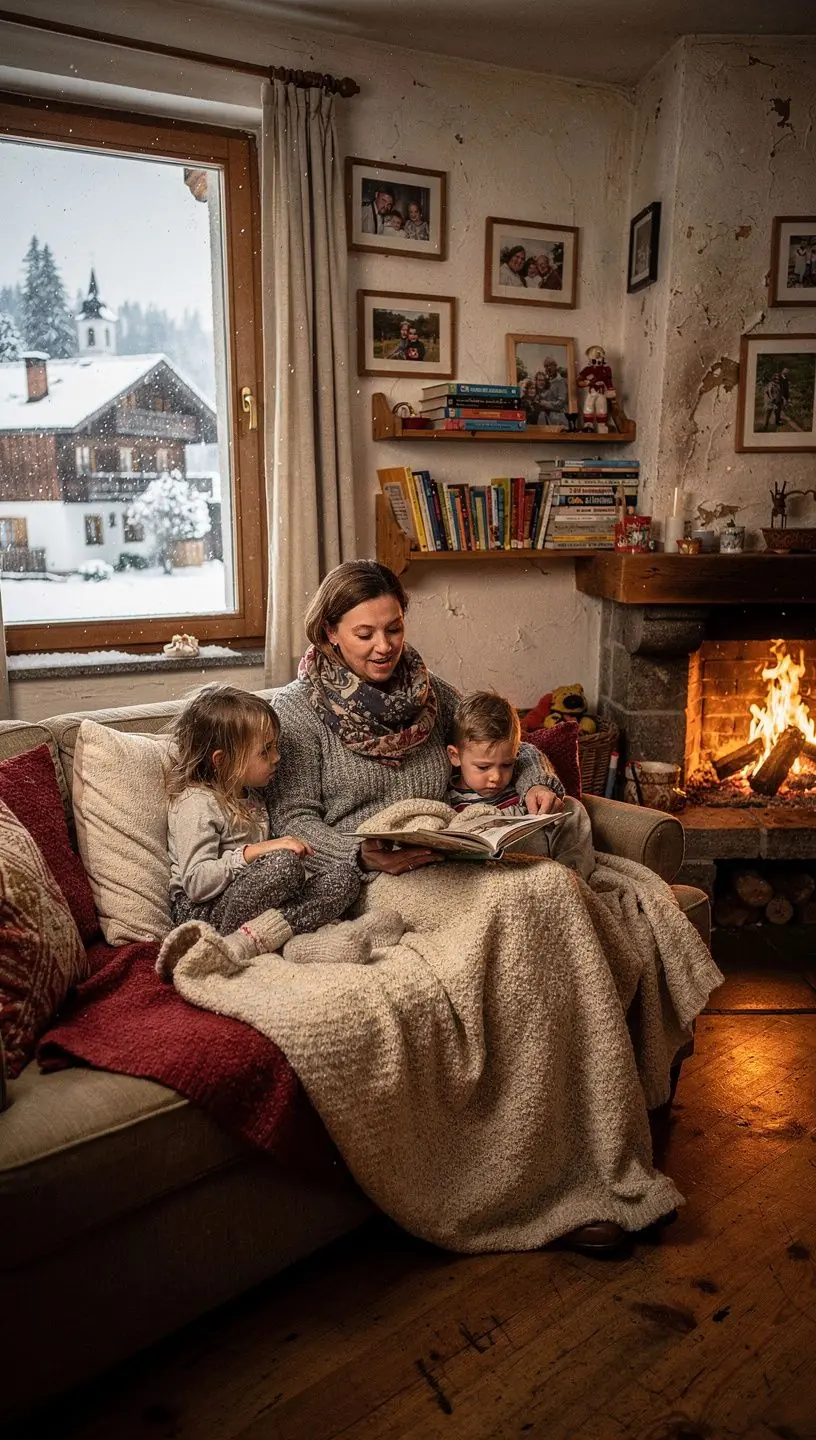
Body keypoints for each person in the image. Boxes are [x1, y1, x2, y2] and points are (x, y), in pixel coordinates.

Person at [267, 560, 564, 884]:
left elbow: (495, 744)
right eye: (365, 634)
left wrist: (536, 780)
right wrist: (359, 857)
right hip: (365, 876)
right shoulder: (296, 710)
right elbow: (293, 821)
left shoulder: (427, 690)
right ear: (331, 631)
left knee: (552, 882)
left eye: (394, 629)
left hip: (446, 860)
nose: (384, 647)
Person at [165, 684, 360, 938]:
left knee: (345, 879)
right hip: (201, 912)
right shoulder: (198, 803)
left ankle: (263, 936)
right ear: (222, 761)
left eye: (275, 746)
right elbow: (196, 883)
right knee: (283, 866)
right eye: (265, 750)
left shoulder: (254, 795)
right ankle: (251, 937)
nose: (277, 756)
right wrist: (256, 853)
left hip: (254, 896)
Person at [446, 691, 594, 878]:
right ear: (455, 756)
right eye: (483, 767)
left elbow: (528, 752)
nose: (496, 777)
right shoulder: (449, 798)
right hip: (488, 875)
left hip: (538, 862)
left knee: (572, 807)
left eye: (507, 764)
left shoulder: (520, 782)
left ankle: (574, 878)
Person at [536, 357, 569, 428]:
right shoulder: (548, 382)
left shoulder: (560, 382)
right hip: (546, 418)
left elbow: (561, 402)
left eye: (551, 365)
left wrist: (546, 404)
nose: (548, 368)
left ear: (555, 367)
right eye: (546, 366)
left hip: (558, 419)